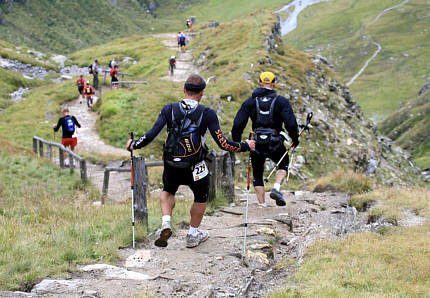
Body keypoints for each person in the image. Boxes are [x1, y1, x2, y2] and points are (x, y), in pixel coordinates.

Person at [126, 74, 255, 248]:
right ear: (202, 93)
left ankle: (166, 222)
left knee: (168, 191)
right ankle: (193, 235)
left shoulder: (169, 109)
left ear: (184, 90)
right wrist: (245, 145)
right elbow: (223, 144)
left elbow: (151, 134)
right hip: (196, 165)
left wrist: (134, 144)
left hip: (172, 163)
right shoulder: (207, 113)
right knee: (201, 197)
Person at [231, 71, 299, 207]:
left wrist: (238, 143)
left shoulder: (250, 102)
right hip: (275, 141)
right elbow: (291, 123)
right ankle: (276, 187)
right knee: (283, 162)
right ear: (274, 84)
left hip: (255, 142)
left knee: (257, 172)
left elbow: (238, 124)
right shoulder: (281, 101)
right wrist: (295, 139)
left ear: (259, 83)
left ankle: (262, 205)